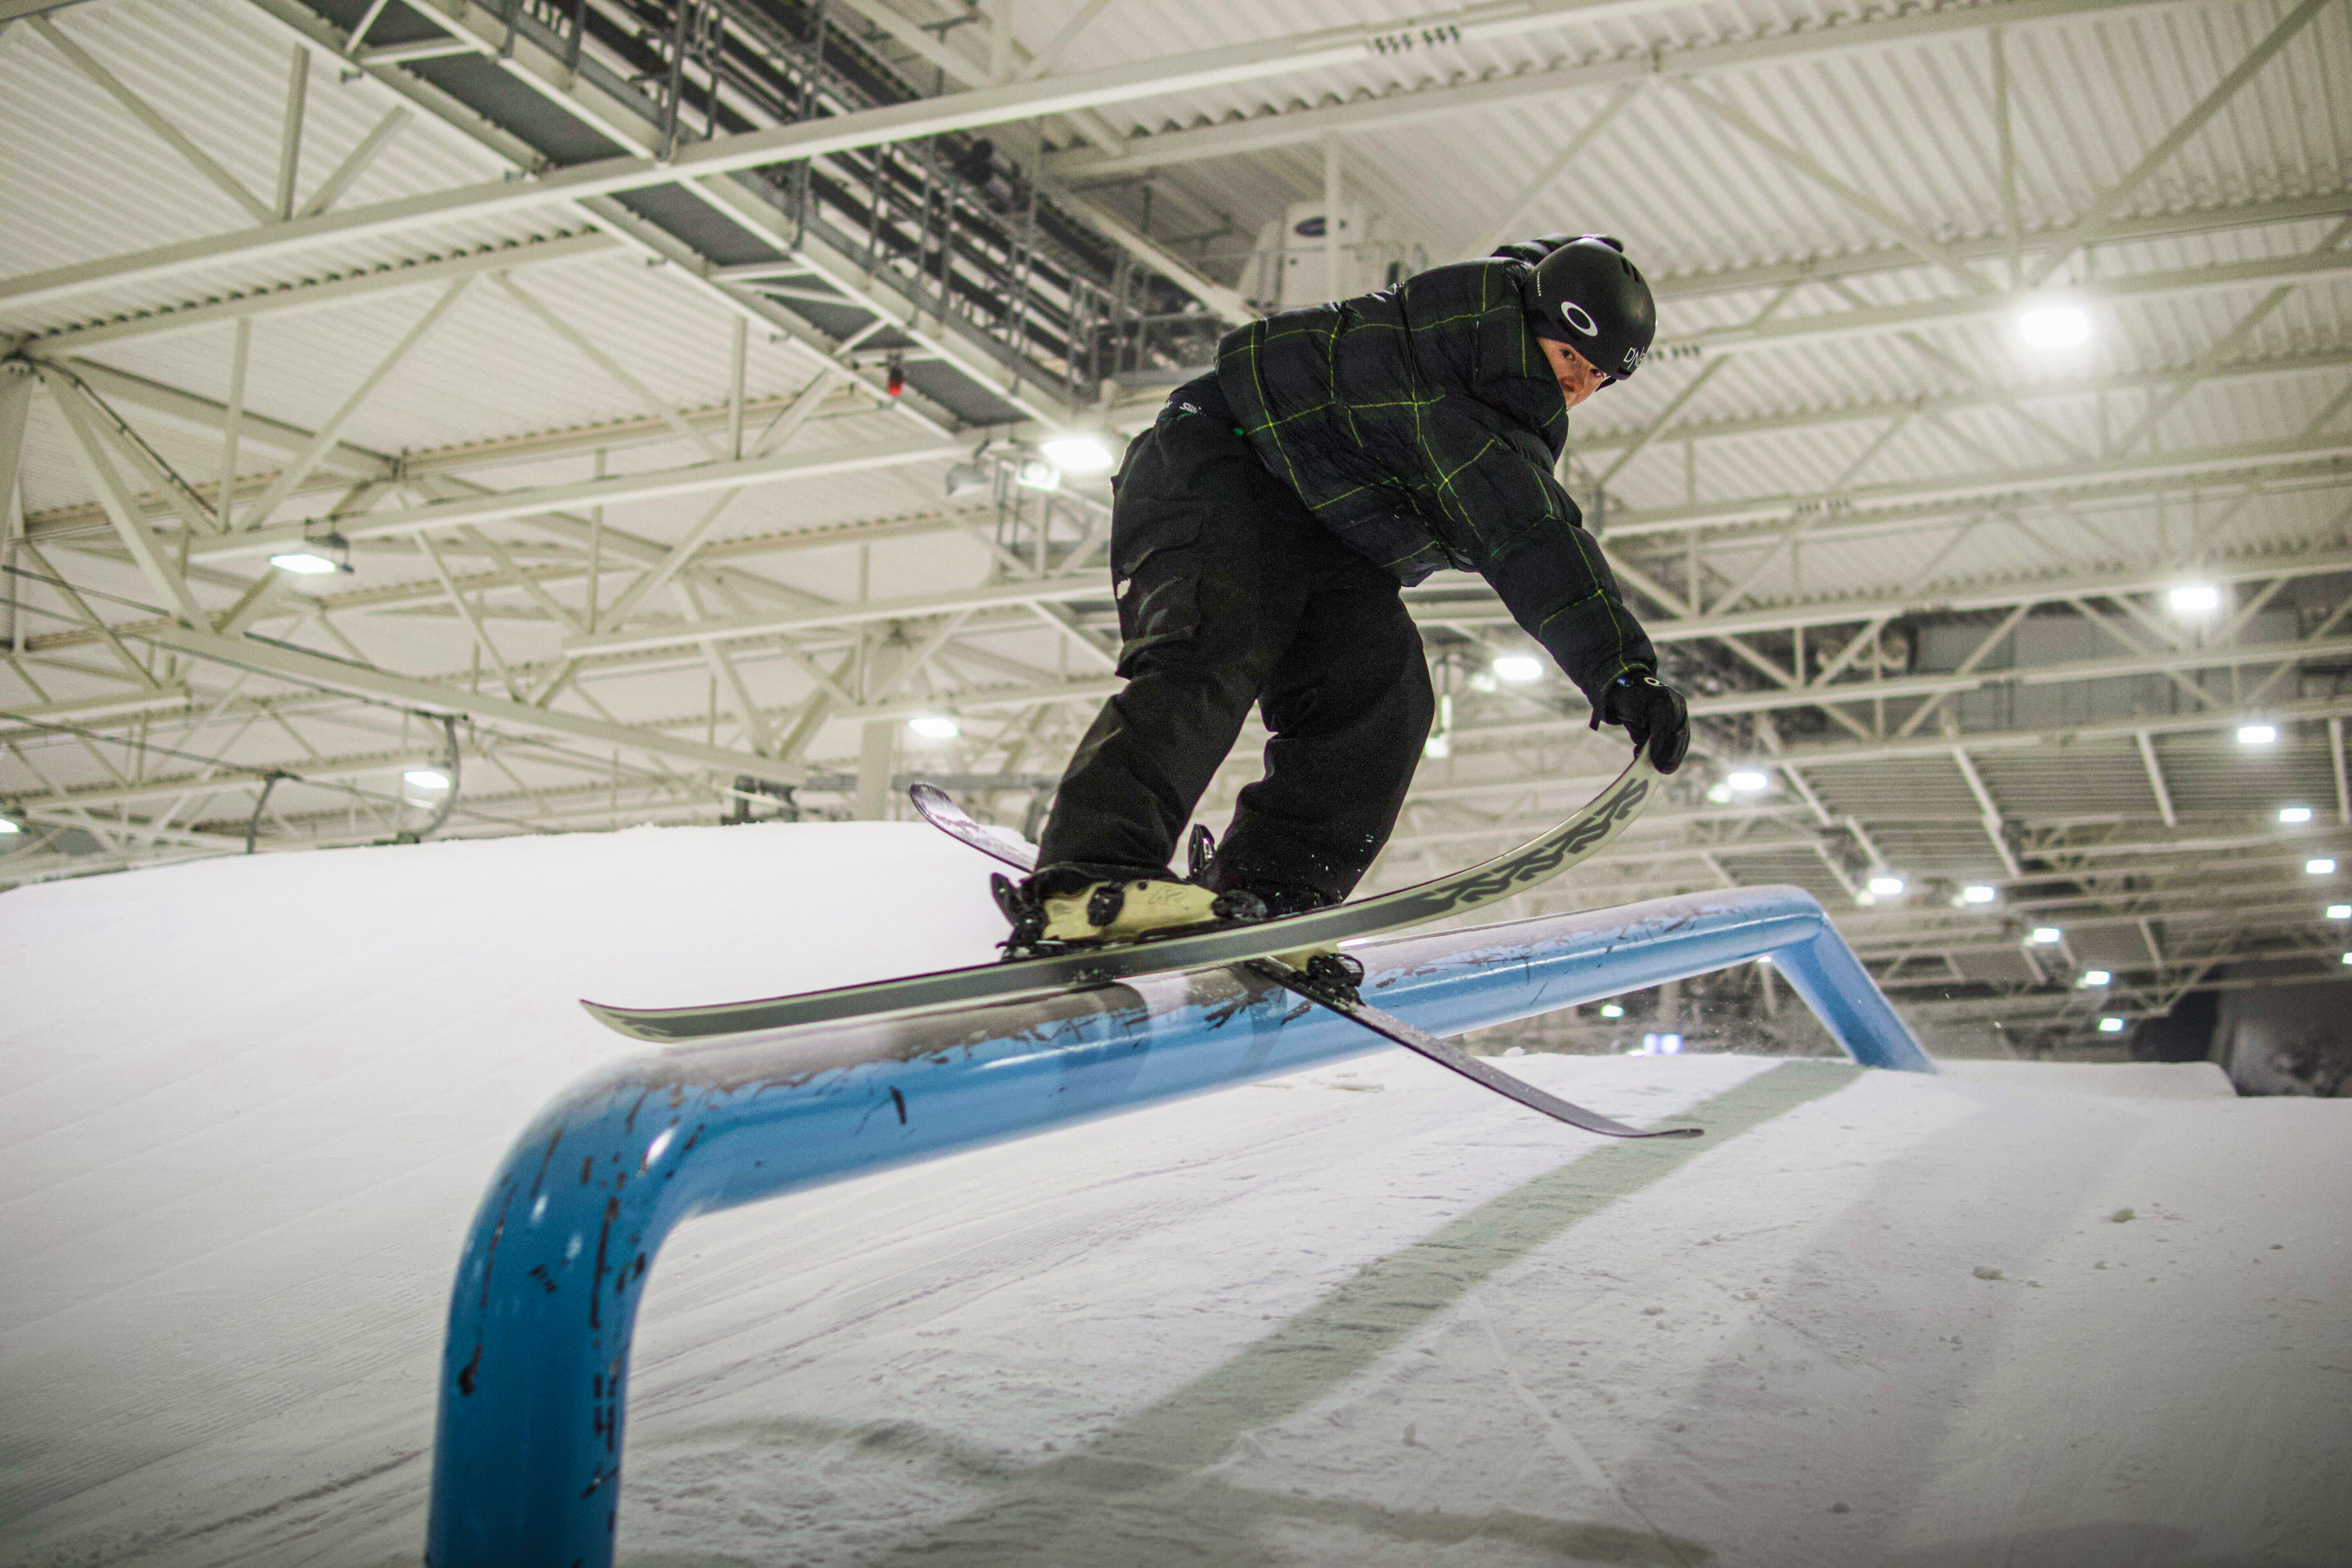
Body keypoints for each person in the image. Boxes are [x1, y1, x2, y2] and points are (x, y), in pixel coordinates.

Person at [997, 234, 1690, 951]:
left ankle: (1272, 891)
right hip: (1221, 459)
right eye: (1571, 359)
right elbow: (1530, 536)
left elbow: (1541, 261)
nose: (1576, 387)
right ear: (1536, 325)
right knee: (1216, 641)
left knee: (1384, 694)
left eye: (1599, 379)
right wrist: (1621, 670)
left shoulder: (1490, 343)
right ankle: (1087, 877)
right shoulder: (1469, 378)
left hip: (1325, 524)